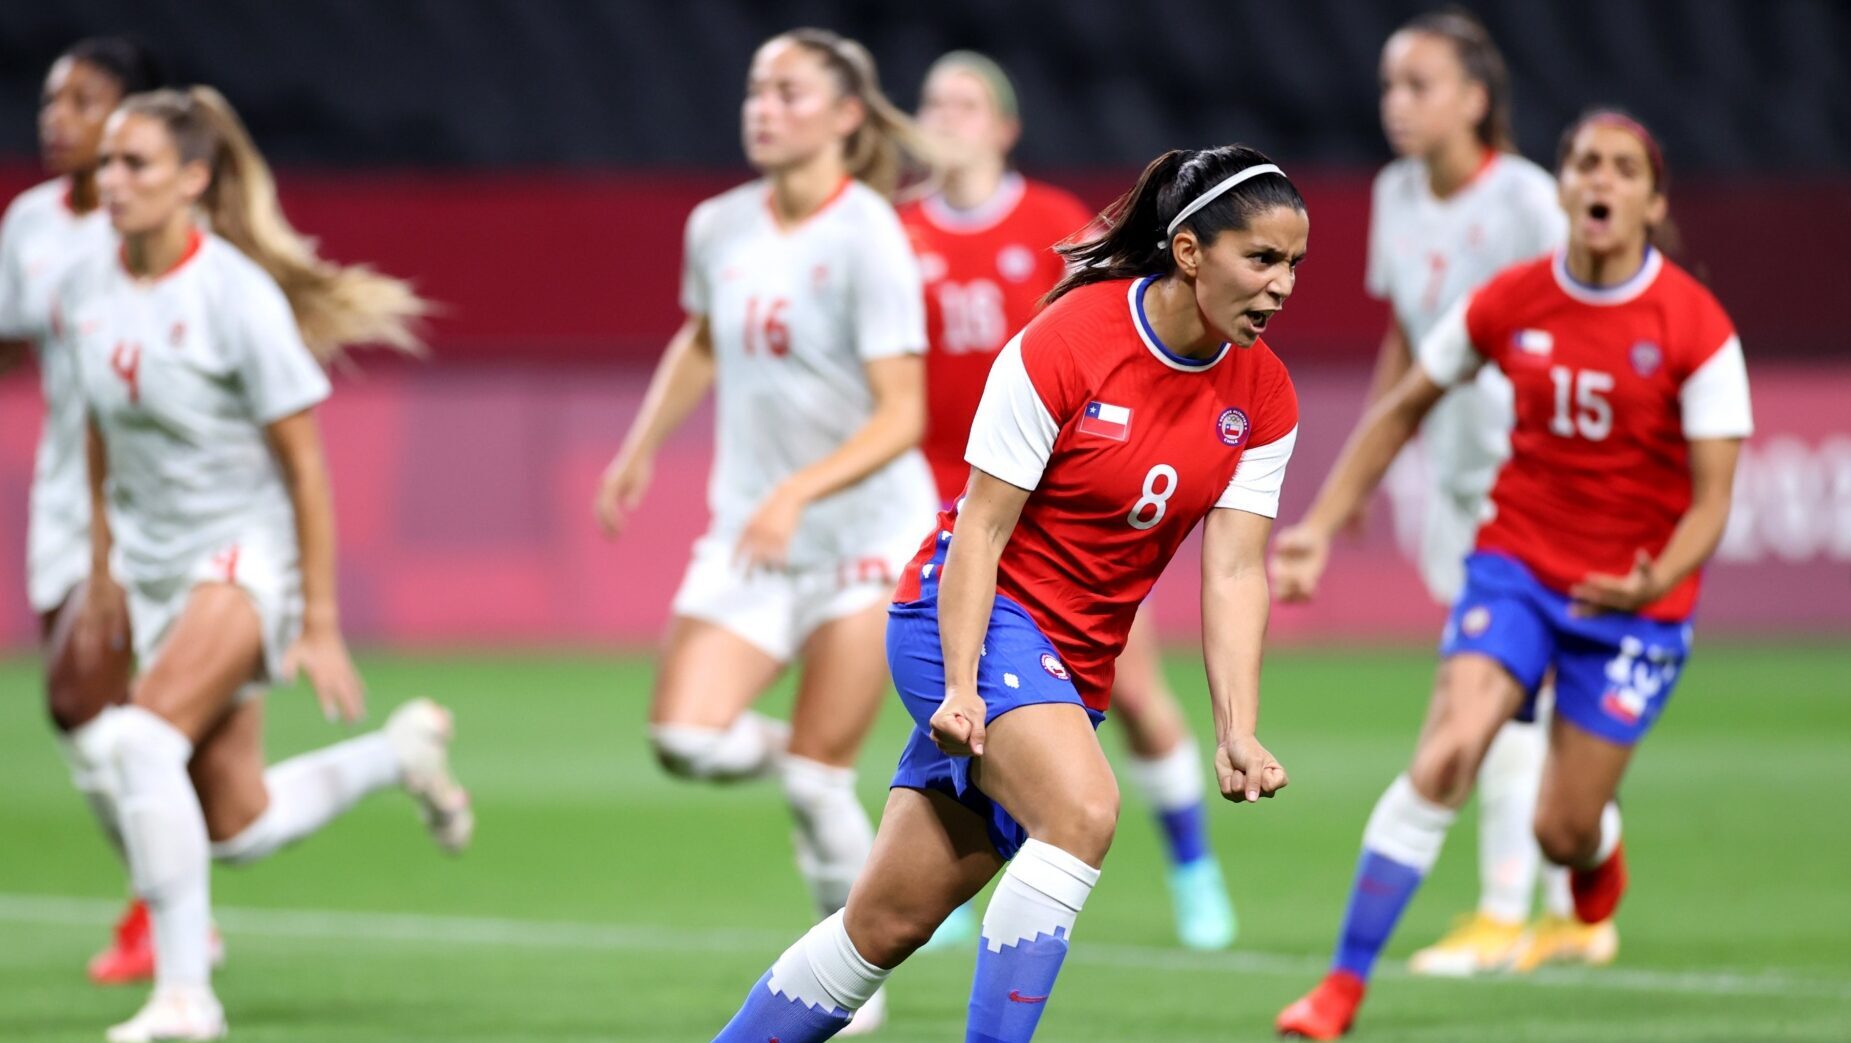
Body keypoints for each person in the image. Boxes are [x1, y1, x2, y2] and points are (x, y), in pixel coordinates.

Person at [712, 144, 1302, 1043]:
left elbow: (1232, 569)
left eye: (1293, 264)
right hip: (966, 621)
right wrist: (958, 685)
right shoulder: (1069, 340)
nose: (1281, 285)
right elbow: (980, 529)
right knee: (1083, 811)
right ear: (1189, 251)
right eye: (1261, 258)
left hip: (1070, 667)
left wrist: (1238, 726)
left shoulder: (1262, 394)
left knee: (884, 925)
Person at [1272, 110, 1751, 1039]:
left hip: (1633, 604)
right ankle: (1338, 988)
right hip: (1516, 566)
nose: (1598, 180)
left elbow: (1711, 501)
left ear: (1651, 200)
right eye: (1582, 164)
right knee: (1448, 751)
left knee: (1556, 829)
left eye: (1620, 168)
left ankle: (1592, 848)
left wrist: (1655, 581)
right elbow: (1404, 402)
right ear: (1563, 187)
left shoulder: (1695, 327)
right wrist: (1321, 525)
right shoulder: (1510, 299)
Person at [63, 86, 474, 1042]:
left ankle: (183, 999)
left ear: (195, 180)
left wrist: (318, 621)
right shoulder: (91, 285)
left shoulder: (234, 296)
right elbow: (97, 429)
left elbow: (305, 466)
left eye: (136, 165)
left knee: (136, 742)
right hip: (161, 567)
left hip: (245, 559)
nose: (111, 181)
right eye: (106, 165)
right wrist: (104, 562)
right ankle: (397, 755)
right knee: (235, 826)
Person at [593, 28, 936, 1035]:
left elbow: (902, 414)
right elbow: (702, 337)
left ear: (843, 117)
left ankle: (847, 978)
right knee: (684, 738)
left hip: (866, 536)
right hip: (754, 532)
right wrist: (641, 443)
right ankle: (807, 760)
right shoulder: (718, 224)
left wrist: (803, 490)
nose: (764, 106)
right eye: (756, 89)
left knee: (822, 779)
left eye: (789, 92)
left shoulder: (868, 231)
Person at [900, 50, 1238, 952]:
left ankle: (1193, 866)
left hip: (1065, 516)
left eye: (968, 103)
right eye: (933, 101)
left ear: (1005, 128)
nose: (947, 116)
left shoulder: (1054, 225)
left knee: (1137, 698)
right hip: (945, 502)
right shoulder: (897, 235)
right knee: (946, 690)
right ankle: (945, 883)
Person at [1357, 9, 1614, 976]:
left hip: (1537, 485)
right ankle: (1579, 909)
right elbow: (1406, 338)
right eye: (1389, 85)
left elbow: (1593, 311)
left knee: (1495, 691)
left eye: (1418, 84)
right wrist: (1368, 463)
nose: (1397, 104)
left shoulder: (1528, 202)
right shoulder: (1393, 193)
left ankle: (1508, 909)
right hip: (1456, 482)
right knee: (1528, 697)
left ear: (1473, 97)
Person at [0, 36, 182, 986]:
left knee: (84, 700)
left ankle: (169, 906)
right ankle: (160, 890)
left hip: (158, 500)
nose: (54, 118)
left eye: (83, 100)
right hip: (66, 493)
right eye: (49, 100)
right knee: (87, 722)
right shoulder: (30, 222)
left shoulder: (154, 218)